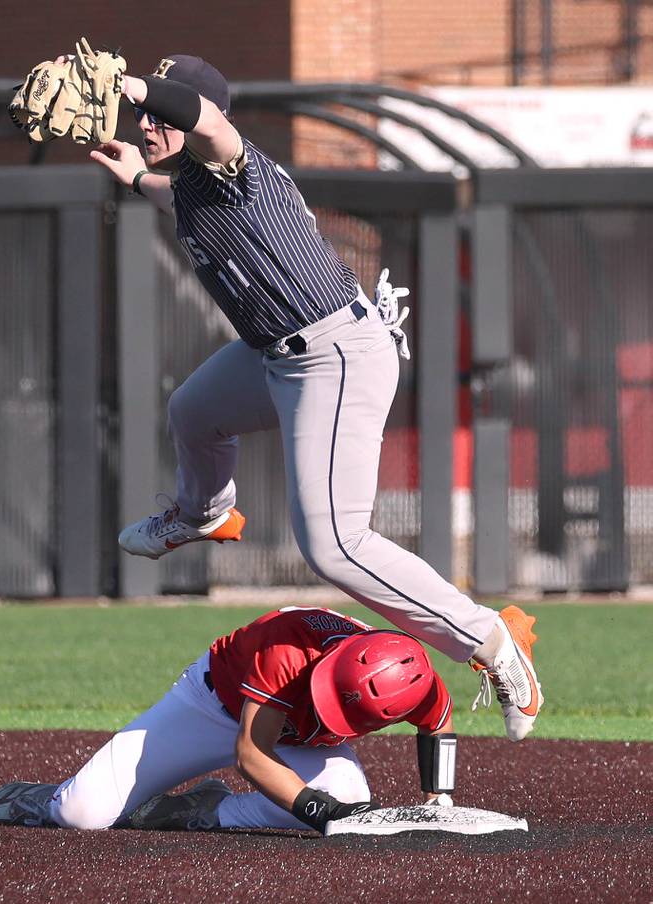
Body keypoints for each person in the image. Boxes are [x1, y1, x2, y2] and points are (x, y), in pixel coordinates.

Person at [81, 54, 542, 741]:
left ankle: (493, 643)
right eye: (143, 115)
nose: (148, 122)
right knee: (195, 413)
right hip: (280, 353)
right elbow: (173, 193)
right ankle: (203, 513)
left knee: (334, 545)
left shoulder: (237, 163)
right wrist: (133, 175)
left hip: (334, 354)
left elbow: (205, 120)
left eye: (159, 113)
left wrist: (134, 85)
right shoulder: (192, 187)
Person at [0, 607, 458, 833]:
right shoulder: (287, 645)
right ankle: (40, 799)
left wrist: (440, 798)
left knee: (353, 795)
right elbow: (250, 754)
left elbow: (438, 724)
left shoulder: (416, 681)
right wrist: (320, 812)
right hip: (210, 708)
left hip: (296, 737)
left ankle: (201, 811)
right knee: (81, 815)